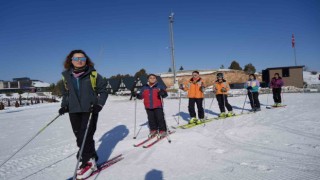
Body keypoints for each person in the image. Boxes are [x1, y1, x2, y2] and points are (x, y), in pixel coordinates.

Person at [58, 49, 107, 179]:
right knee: (79, 136)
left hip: (89, 109)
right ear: (71, 60)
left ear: (86, 60)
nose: (79, 61)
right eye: (76, 58)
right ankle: (91, 156)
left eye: (82, 58)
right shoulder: (65, 76)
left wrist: (99, 104)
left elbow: (103, 91)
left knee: (86, 135)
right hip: (73, 110)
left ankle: (88, 161)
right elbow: (66, 94)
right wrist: (64, 106)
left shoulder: (93, 75)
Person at [134, 74, 168, 138]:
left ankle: (162, 130)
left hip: (158, 105)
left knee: (160, 118)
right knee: (151, 119)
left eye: (154, 78)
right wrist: (137, 95)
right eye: (151, 78)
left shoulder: (159, 86)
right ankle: (153, 130)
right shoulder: (144, 87)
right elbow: (141, 96)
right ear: (148, 79)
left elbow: (165, 94)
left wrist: (162, 93)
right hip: (148, 106)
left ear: (156, 79)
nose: (152, 79)